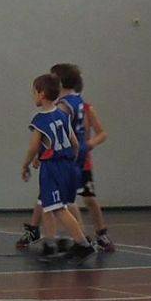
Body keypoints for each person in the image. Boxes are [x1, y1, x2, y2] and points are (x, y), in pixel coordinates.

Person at [21, 74, 94, 262]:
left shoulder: (40, 119)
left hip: (52, 168)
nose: (33, 96)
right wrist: (71, 160)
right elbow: (75, 143)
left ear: (42, 94)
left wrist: (26, 164)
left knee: (59, 209)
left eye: (34, 92)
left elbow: (33, 147)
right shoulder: (63, 115)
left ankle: (83, 244)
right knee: (51, 206)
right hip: (68, 165)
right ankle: (52, 243)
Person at [52, 63, 113, 251]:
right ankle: (80, 236)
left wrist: (89, 145)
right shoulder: (59, 107)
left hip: (82, 161)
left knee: (89, 198)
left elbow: (102, 133)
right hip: (65, 160)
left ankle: (101, 233)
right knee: (64, 201)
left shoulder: (84, 108)